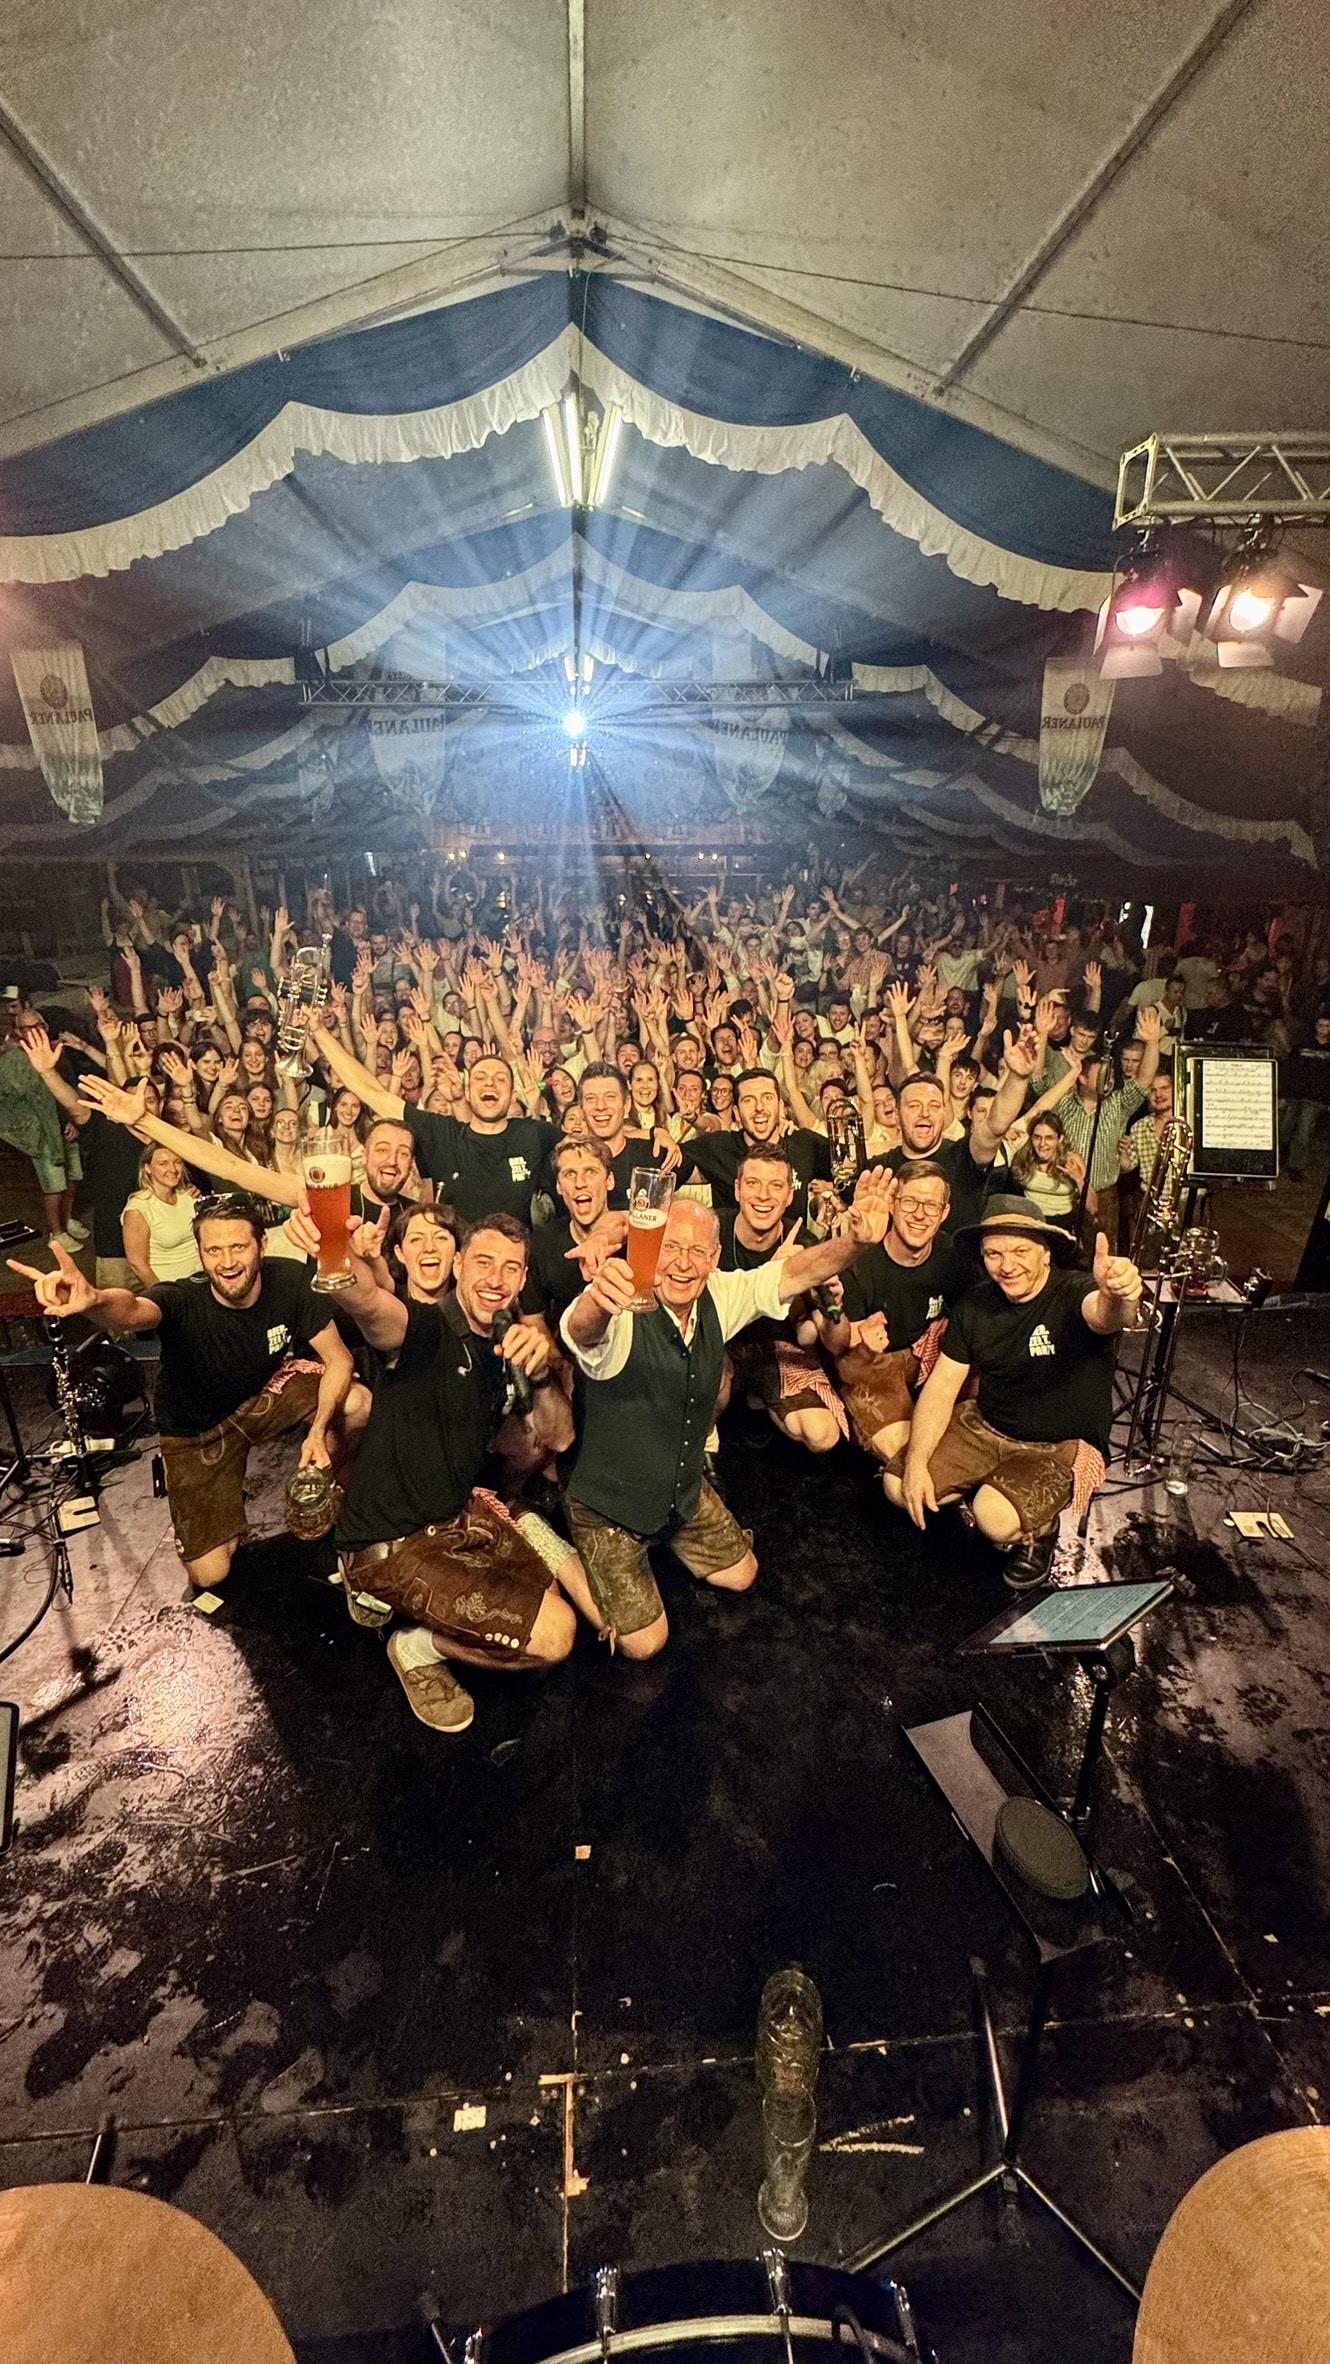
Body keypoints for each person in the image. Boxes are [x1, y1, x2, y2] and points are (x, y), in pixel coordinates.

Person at [282, 1201, 603, 1735]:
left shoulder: (503, 1344)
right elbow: (368, 1303)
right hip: (388, 1543)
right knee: (555, 1636)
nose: (495, 1279)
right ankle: (417, 1647)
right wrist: (331, 1252)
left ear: (523, 1279)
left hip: (454, 1519)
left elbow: (559, 1437)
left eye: (510, 1268)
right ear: (458, 1266)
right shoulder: (424, 1328)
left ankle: (416, 1612)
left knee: (546, 1593)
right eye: (483, 1263)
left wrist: (542, 1373)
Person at [559, 1173, 895, 1659]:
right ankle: (556, 1549)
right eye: (671, 1247)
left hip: (677, 1492)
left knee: (743, 1574)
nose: (683, 1263)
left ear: (714, 1259)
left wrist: (856, 1241)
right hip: (608, 1505)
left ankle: (665, 1536)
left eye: (697, 1251)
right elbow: (582, 1332)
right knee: (645, 1644)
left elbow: (796, 1273)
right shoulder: (624, 1305)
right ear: (649, 1248)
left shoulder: (718, 1293)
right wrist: (598, 1301)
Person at [11, 1197, 370, 1591]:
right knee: (211, 1573)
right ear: (200, 1253)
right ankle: (214, 1496)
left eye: (238, 1246)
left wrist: (318, 1431)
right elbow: (133, 1310)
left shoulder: (289, 1278)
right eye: (213, 1250)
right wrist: (94, 1300)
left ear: (261, 1245)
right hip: (197, 1432)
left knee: (357, 1404)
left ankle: (332, 1484)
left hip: (263, 1393)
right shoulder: (181, 1299)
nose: (227, 1262)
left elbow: (338, 1359)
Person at [884, 1196, 1142, 1591]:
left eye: (1020, 1251)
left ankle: (1041, 1531)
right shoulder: (975, 1304)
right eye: (994, 1253)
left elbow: (1106, 1316)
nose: (1007, 1265)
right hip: (986, 1426)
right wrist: (917, 1463)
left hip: (1055, 1445)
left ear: (1045, 1253)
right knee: (898, 1484)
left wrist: (1119, 1295)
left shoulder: (1074, 1291)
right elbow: (941, 1387)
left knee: (993, 1518)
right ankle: (991, 1484)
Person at [311, 1025, 557, 1224]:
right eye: (480, 1077)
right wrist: (319, 1030)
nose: (490, 1083)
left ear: (512, 1095)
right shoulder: (441, 1134)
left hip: (516, 1264)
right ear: (468, 1092)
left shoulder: (535, 1134)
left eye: (500, 1079)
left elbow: (581, 1156)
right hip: (456, 1266)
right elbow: (371, 1091)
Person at [821, 1161, 961, 1468]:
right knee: (906, 1458)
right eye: (910, 1201)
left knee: (941, 1451)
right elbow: (836, 1344)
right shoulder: (860, 1263)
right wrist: (858, 1337)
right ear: (893, 1205)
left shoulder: (952, 1254)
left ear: (944, 1213)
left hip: (928, 1365)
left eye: (931, 1205)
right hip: (873, 1369)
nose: (920, 1214)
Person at [716, 1144, 849, 1455]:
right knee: (712, 1380)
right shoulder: (713, 1231)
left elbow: (838, 1344)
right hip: (720, 1343)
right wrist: (772, 1274)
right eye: (753, 1183)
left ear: (790, 1195)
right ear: (737, 1189)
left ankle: (760, 1401)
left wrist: (834, 1309)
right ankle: (703, 1447)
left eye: (775, 1186)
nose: (764, 1195)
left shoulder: (804, 1243)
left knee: (823, 1436)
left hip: (775, 1352)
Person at [684, 1067, 831, 1217]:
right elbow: (671, 1165)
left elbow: (845, 1169)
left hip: (794, 1233)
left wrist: (830, 1199)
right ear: (736, 1112)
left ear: (780, 1106)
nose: (759, 1107)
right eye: (748, 1100)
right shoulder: (719, 1147)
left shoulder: (803, 1144)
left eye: (767, 1098)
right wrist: (665, 1137)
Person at [121, 1145, 202, 1284]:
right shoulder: (138, 1209)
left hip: (202, 1281)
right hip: (171, 1285)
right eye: (163, 1163)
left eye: (177, 1162)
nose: (173, 1169)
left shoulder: (189, 1196)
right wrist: (162, 1292)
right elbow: (137, 1264)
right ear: (148, 1168)